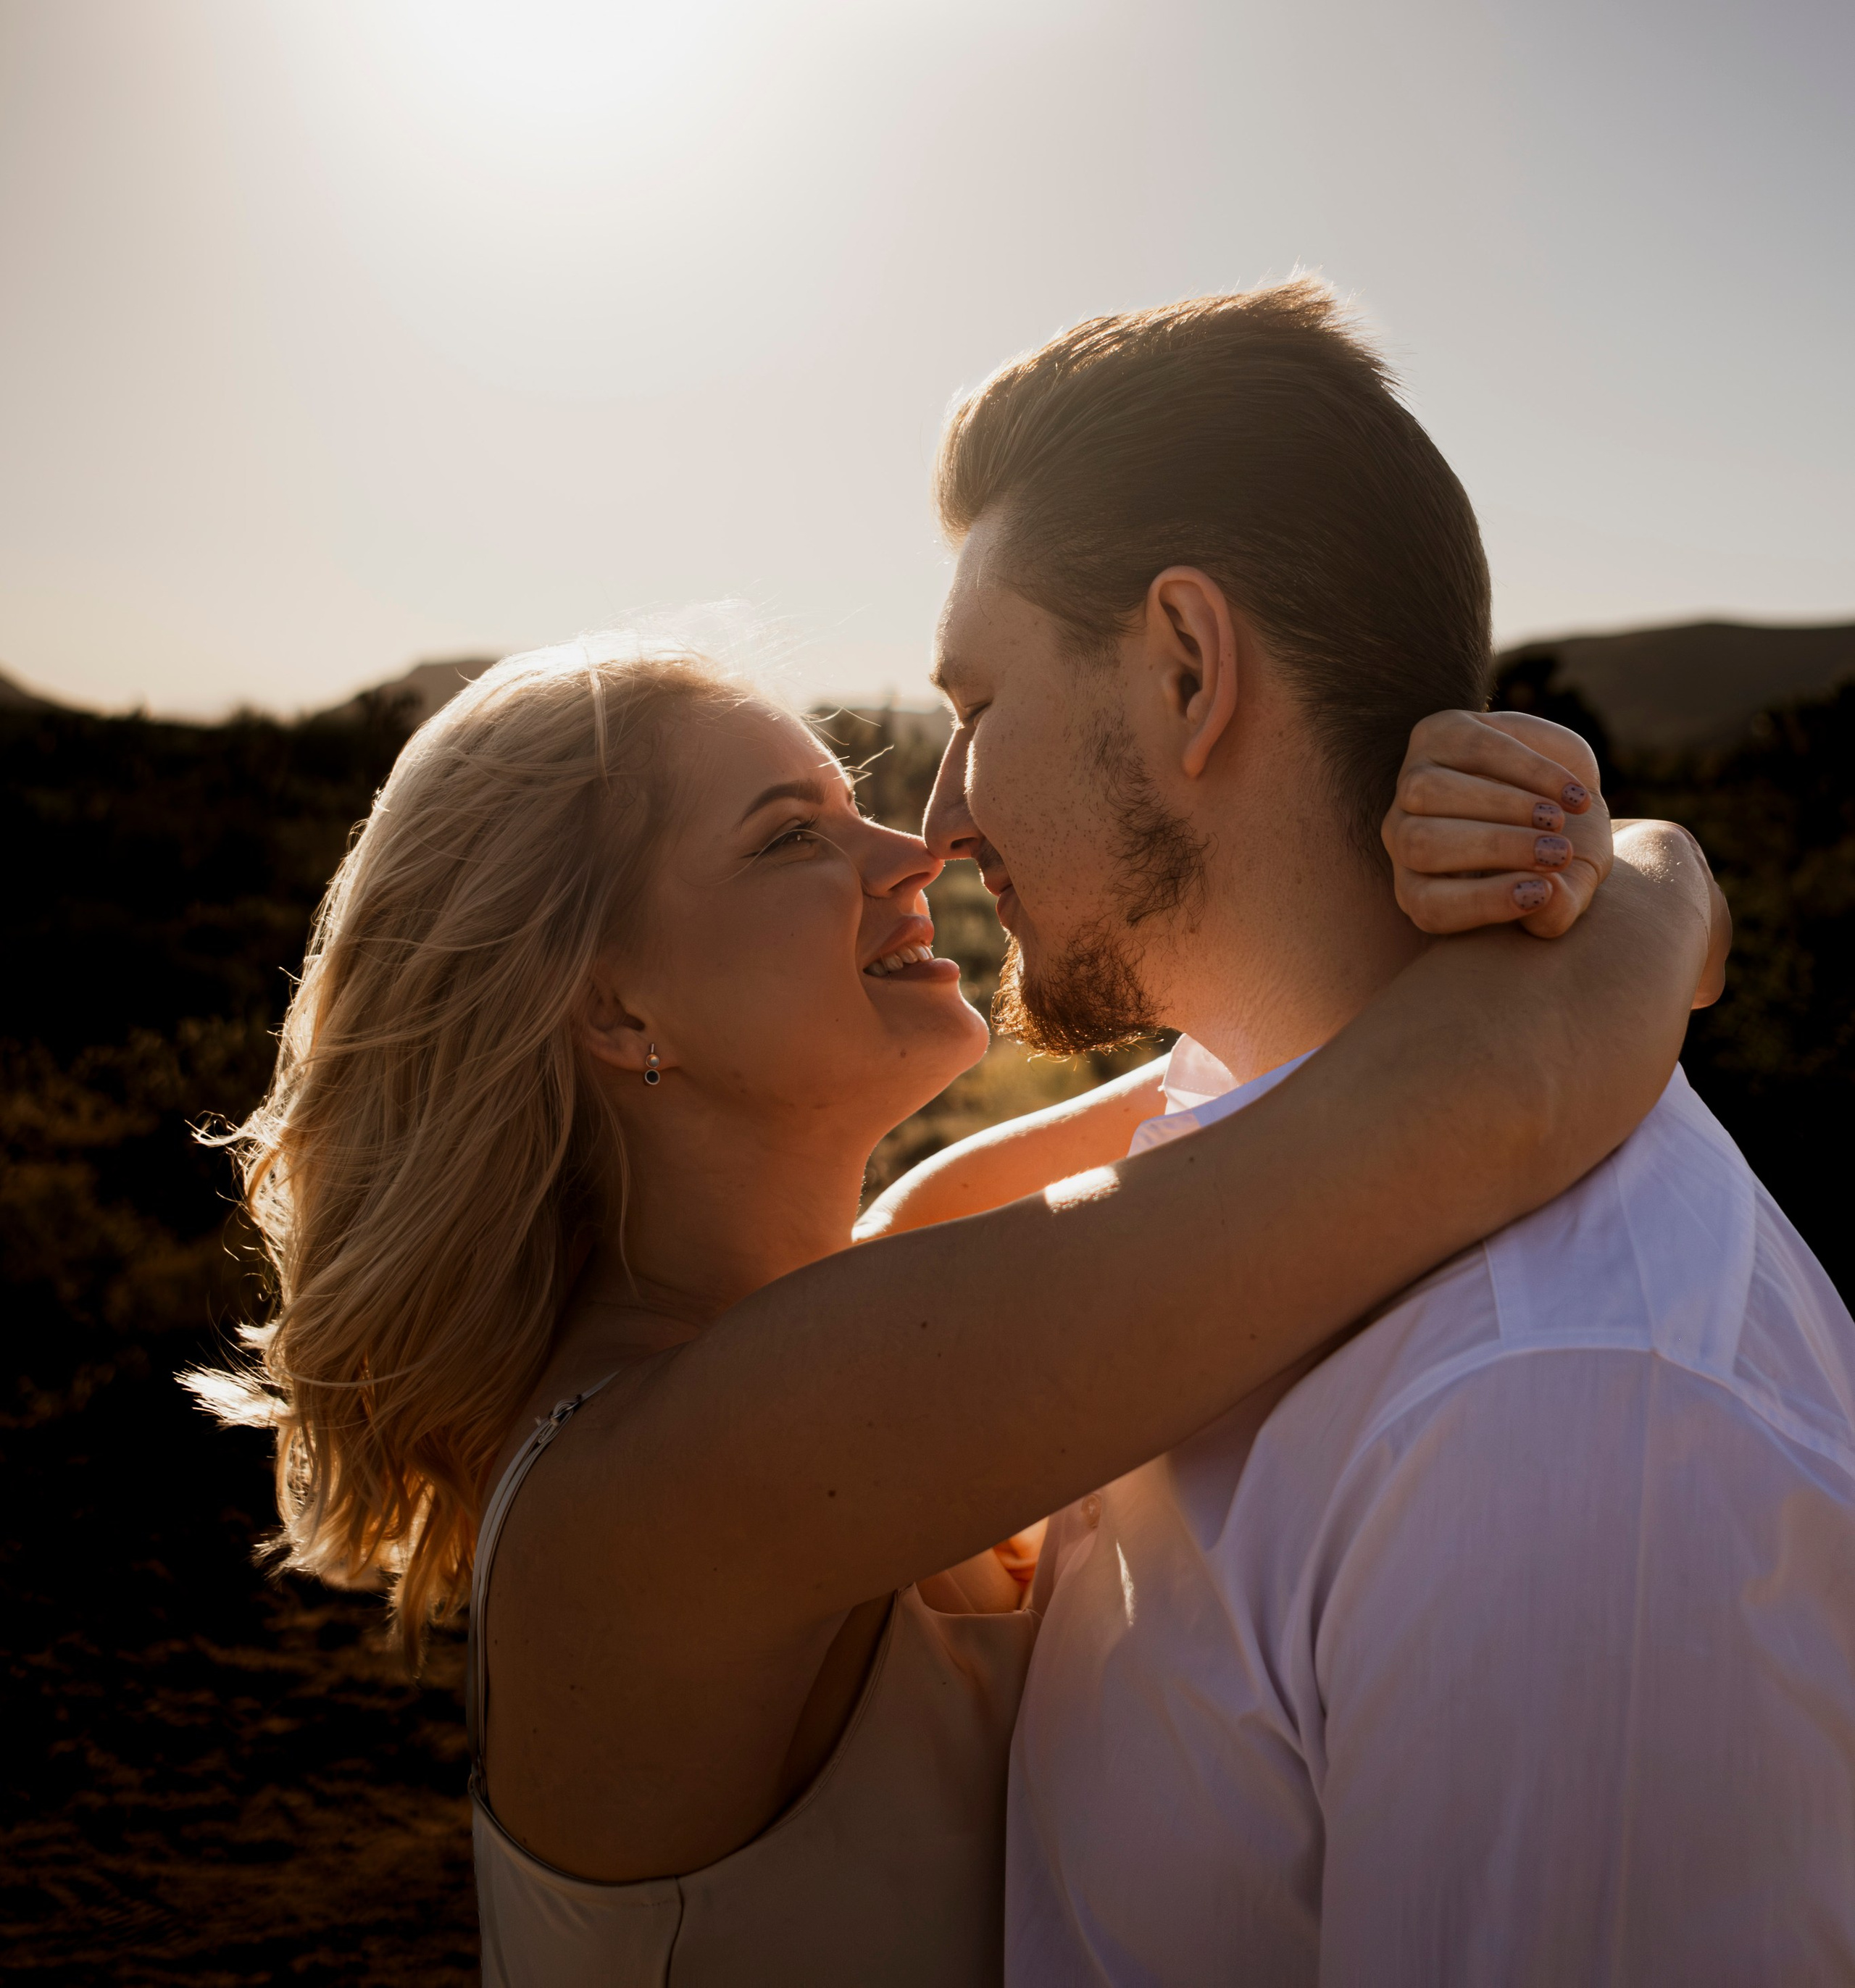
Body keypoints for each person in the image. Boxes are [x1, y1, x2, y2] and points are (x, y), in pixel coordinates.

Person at [196, 640, 1716, 1979]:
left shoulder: (908, 1258)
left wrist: (1547, 836)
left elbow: (1319, 1029)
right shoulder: (685, 1475)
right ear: (613, 1007)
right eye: (792, 836)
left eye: (855, 802)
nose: (913, 851)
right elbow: (1498, 1087)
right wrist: (1649, 863)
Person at [874, 283, 1855, 1986]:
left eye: (976, 706)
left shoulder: (1555, 1416)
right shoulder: (1238, 1114)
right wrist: (1655, 876)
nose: (940, 814)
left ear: (1186, 670)